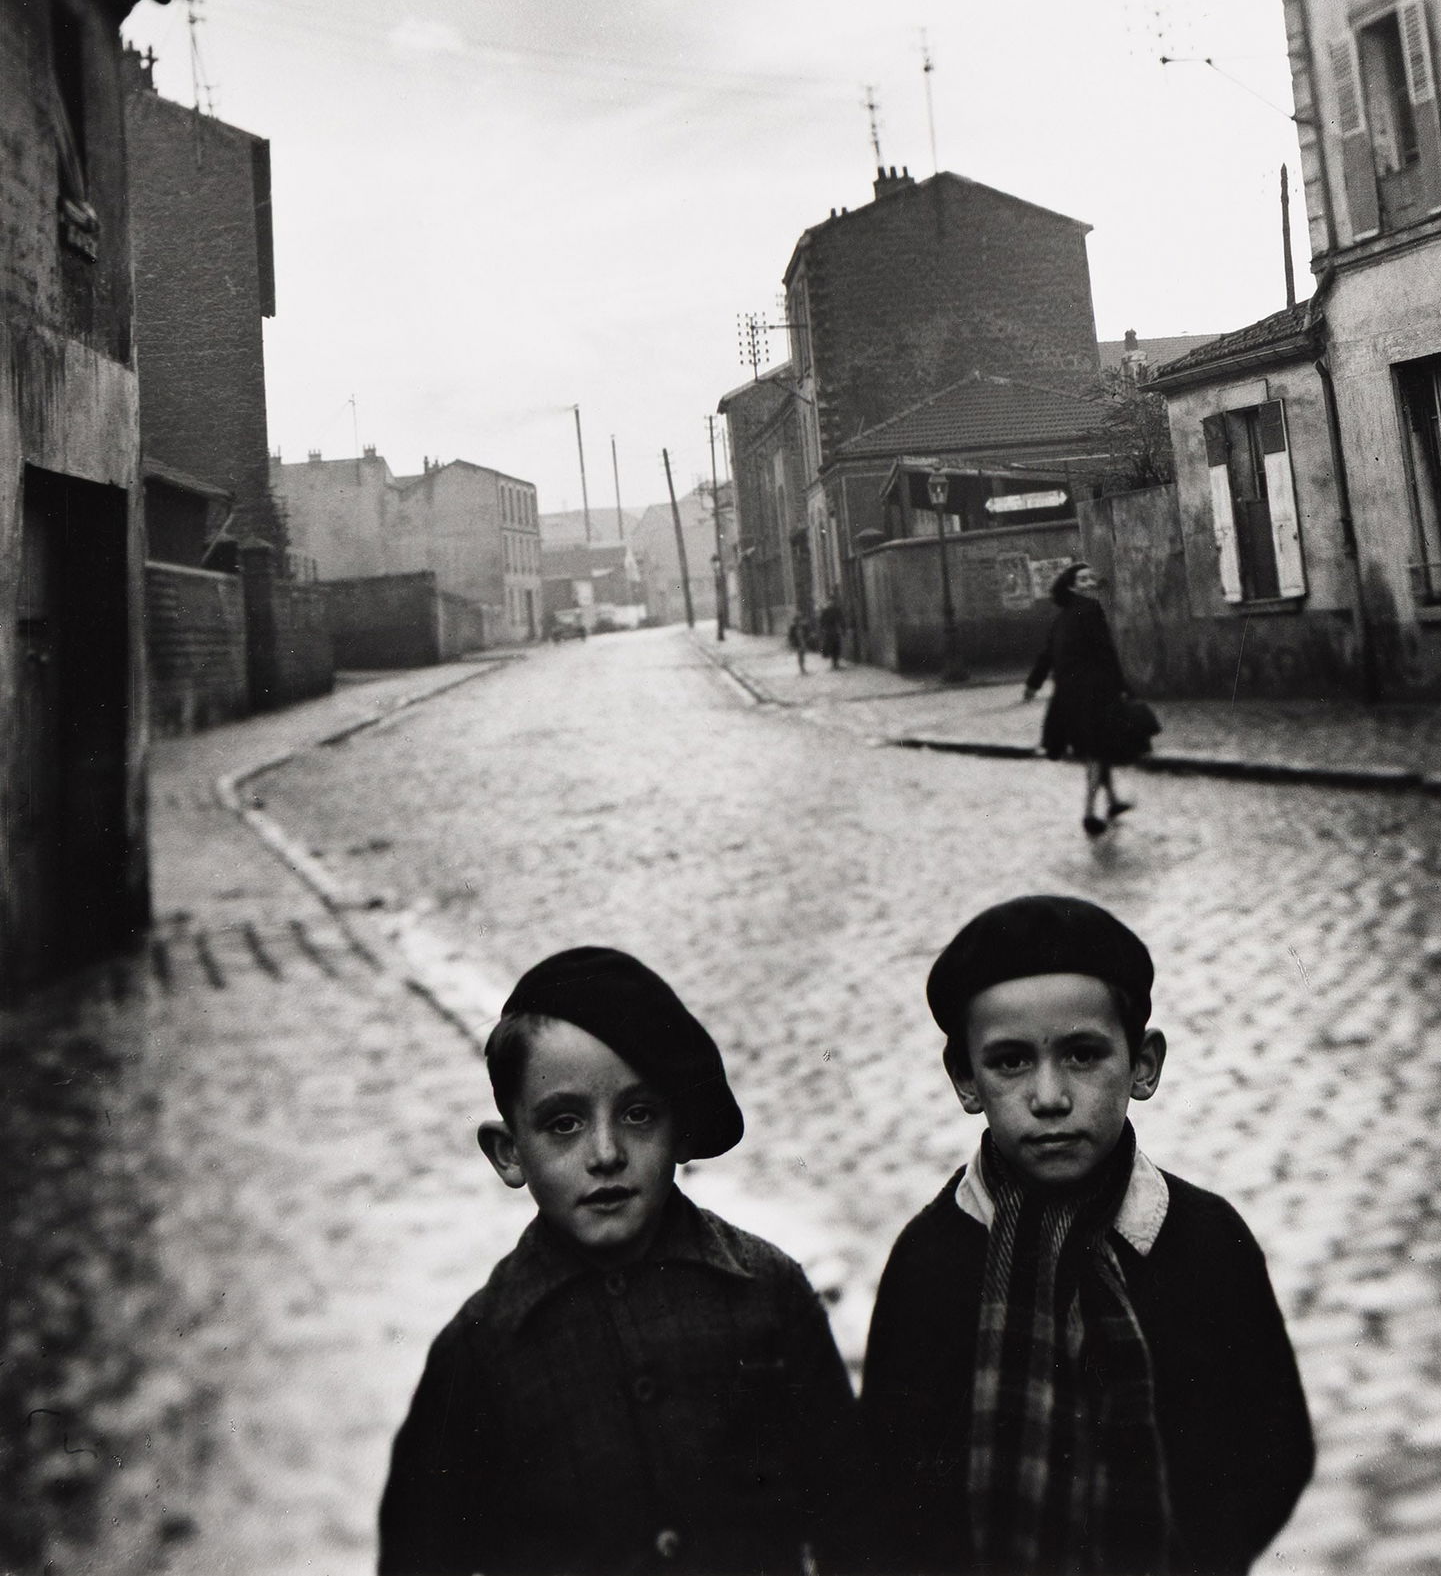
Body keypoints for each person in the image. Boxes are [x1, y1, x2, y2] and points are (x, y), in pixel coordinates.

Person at [860, 895, 1313, 1576]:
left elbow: (1275, 1445)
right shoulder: (933, 1260)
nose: (1049, 1096)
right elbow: (890, 1490)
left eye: (1082, 1054)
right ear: (965, 1079)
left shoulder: (1206, 1241)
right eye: (1010, 1061)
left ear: (1144, 1063)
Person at [377, 946, 860, 1576]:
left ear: (681, 1130)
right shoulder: (481, 1349)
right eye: (563, 1123)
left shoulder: (769, 1293)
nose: (605, 1153)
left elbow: (853, 1517)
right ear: (508, 1153)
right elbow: (421, 1554)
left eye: (638, 1114)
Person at [1023, 563, 1136, 839]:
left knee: (1098, 747)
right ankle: (1088, 813)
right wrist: (1123, 686)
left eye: (1090, 578)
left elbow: (1046, 655)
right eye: (1082, 579)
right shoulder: (1091, 609)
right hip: (1093, 694)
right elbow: (1105, 652)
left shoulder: (1060, 618)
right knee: (1097, 751)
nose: (1088, 583)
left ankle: (1112, 802)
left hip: (1068, 697)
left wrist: (1032, 684)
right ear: (1072, 586)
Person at [818, 594, 845, 671]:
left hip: (834, 630)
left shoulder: (836, 610)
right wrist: (822, 630)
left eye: (833, 601)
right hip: (829, 631)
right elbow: (822, 621)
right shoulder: (826, 611)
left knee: (836, 646)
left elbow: (841, 619)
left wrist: (842, 629)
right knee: (832, 646)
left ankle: (835, 662)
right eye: (831, 601)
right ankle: (834, 662)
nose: (832, 602)